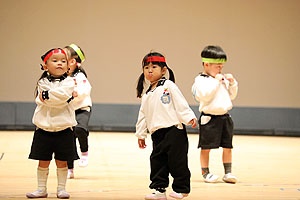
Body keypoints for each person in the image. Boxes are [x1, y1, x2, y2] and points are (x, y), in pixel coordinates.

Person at [135, 52, 197, 200]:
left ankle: (182, 189)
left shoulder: (168, 86)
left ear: (163, 70)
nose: (149, 70)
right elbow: (143, 116)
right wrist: (141, 134)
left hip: (174, 131)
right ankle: (159, 190)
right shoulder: (147, 95)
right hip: (157, 134)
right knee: (157, 162)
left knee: (177, 161)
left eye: (154, 67)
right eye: (146, 67)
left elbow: (180, 103)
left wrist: (189, 117)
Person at [26, 48, 78, 199]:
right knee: (43, 161)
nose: (59, 63)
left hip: (64, 129)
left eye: (63, 61)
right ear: (45, 65)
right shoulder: (42, 82)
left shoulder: (69, 82)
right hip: (43, 129)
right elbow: (55, 98)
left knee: (62, 162)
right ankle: (41, 189)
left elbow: (58, 99)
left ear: (69, 65)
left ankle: (61, 189)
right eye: (55, 61)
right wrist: (61, 98)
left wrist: (49, 97)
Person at [192, 45, 238, 184]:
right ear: (206, 64)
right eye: (218, 66)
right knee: (206, 148)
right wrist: (216, 81)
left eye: (222, 66)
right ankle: (206, 173)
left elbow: (232, 96)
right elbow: (205, 96)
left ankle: (228, 172)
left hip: (225, 117)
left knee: (227, 146)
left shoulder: (221, 79)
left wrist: (232, 83)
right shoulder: (201, 80)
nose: (220, 69)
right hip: (209, 118)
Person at [63, 44, 92, 179]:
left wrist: (76, 93)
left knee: (80, 129)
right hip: (67, 111)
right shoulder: (61, 76)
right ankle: (70, 169)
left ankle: (84, 152)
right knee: (68, 140)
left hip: (82, 109)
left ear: (73, 62)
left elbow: (86, 89)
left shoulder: (79, 76)